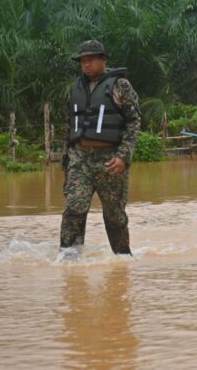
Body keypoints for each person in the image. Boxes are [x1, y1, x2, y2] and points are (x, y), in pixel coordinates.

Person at [60, 39, 141, 255]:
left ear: (103, 60)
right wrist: (66, 161)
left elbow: (134, 121)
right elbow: (71, 125)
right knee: (74, 209)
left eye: (91, 60)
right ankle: (69, 259)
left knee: (114, 215)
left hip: (110, 159)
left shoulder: (120, 85)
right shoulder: (76, 87)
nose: (86, 65)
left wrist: (124, 157)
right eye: (83, 61)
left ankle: (122, 260)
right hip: (80, 158)